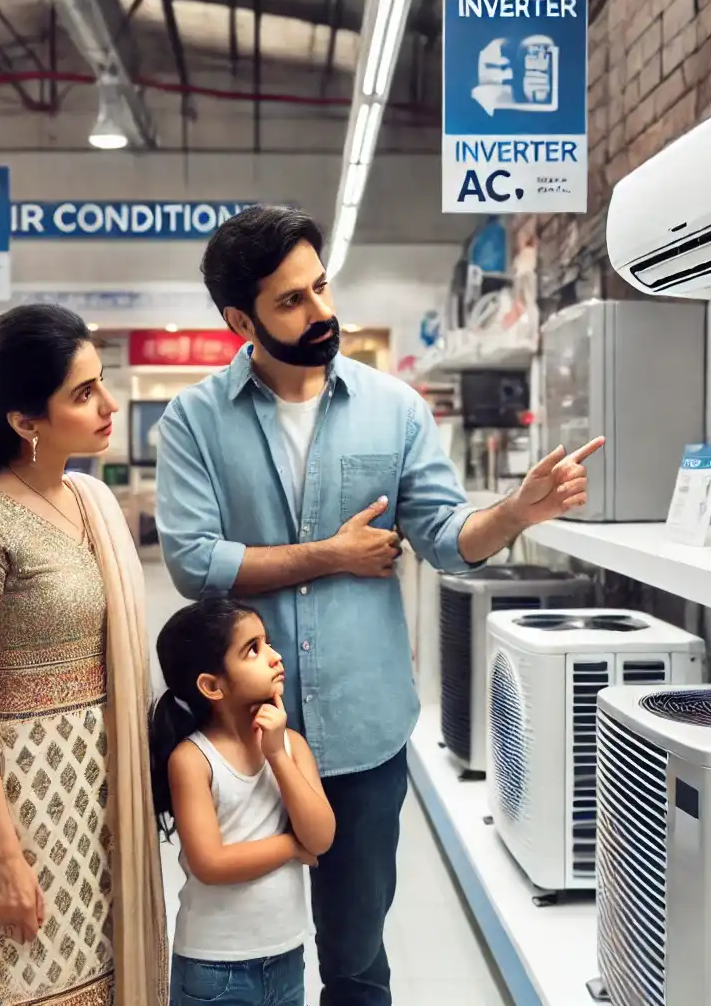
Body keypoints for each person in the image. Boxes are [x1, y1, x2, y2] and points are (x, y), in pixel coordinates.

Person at [155, 204, 604, 1005]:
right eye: (290, 301)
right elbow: (194, 563)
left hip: (364, 731)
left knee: (357, 958)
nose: (321, 311)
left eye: (320, 287)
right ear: (239, 319)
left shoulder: (392, 408)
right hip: (245, 747)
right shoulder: (194, 421)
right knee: (248, 949)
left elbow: (440, 533)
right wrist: (331, 554)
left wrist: (515, 513)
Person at [0, 305, 167, 1006]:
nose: (108, 405)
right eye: (82, 393)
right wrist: (4, 859)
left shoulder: (88, 500)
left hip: (93, 802)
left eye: (101, 383)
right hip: (20, 802)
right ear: (26, 422)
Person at [149, 598, 335, 1006]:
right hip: (214, 968)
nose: (274, 656)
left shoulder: (290, 745)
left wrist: (277, 755)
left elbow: (320, 837)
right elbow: (211, 864)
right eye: (253, 649)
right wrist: (290, 846)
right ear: (212, 686)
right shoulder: (193, 760)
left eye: (267, 643)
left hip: (286, 956)